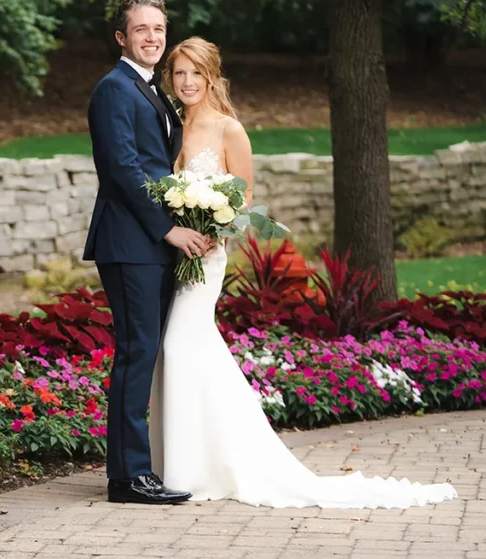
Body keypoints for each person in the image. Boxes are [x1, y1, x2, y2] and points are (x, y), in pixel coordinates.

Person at [149, 36, 458, 508]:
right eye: (179, 73)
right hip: (174, 253)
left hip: (207, 254)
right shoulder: (171, 124)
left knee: (178, 343)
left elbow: (243, 198)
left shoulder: (228, 128)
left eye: (195, 72)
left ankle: (195, 472)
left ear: (212, 76)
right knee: (186, 349)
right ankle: (189, 463)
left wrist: (212, 228)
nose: (187, 82)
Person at [82, 0, 209, 505]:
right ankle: (129, 477)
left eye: (158, 28)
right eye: (141, 30)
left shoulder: (149, 90)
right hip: (131, 242)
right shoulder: (114, 89)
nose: (152, 37)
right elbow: (123, 171)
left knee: (145, 353)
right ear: (121, 37)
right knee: (137, 354)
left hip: (150, 244)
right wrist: (169, 230)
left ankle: (137, 469)